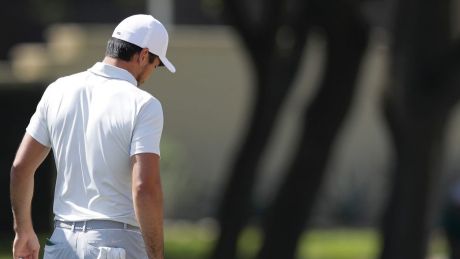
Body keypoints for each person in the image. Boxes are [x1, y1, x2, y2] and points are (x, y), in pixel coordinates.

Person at [10, 14, 175, 259]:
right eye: (156, 64)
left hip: (61, 243)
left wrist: (23, 230)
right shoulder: (144, 104)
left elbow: (21, 167)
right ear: (143, 55)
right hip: (116, 245)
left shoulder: (58, 90)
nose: (153, 71)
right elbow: (144, 188)